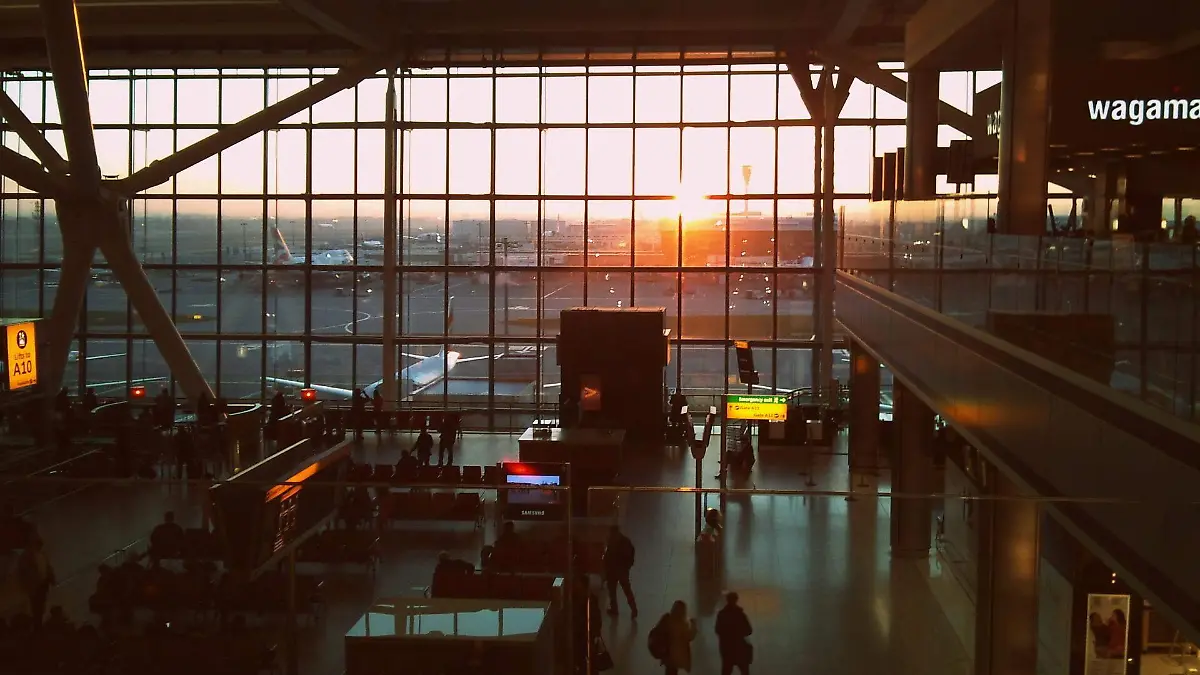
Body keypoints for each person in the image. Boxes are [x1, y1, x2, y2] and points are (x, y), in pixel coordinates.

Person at [17, 535, 55, 627]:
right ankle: (37, 624)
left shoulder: (42, 554)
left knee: (41, 604)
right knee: (36, 606)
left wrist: (51, 577)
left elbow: (48, 567)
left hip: (43, 584)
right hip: (34, 586)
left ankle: (38, 621)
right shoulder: (26, 557)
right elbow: (22, 573)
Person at [602, 524, 637, 617]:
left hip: (614, 571)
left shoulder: (612, 541)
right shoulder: (625, 541)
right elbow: (631, 554)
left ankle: (615, 609)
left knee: (613, 591)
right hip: (621, 571)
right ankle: (633, 609)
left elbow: (607, 556)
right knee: (626, 590)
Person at [715, 592, 753, 675]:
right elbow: (749, 630)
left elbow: (717, 630)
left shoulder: (722, 614)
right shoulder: (740, 614)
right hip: (739, 646)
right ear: (736, 600)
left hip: (726, 648)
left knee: (726, 670)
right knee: (744, 670)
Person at [654, 600, 696, 674]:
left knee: (669, 670)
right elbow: (690, 636)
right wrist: (693, 625)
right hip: (677, 655)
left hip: (668, 653)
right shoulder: (683, 625)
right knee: (673, 671)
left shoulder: (667, 619)